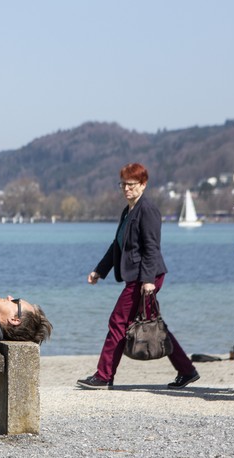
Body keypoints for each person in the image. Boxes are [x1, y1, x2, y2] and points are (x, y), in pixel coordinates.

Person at [78, 162, 199, 390]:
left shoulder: (148, 209)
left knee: (118, 321)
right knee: (153, 324)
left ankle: (104, 376)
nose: (126, 189)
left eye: (131, 184)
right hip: (139, 276)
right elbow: (118, 245)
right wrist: (99, 271)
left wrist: (148, 280)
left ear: (143, 185)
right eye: (123, 184)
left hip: (146, 277)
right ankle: (187, 370)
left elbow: (151, 247)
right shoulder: (128, 211)